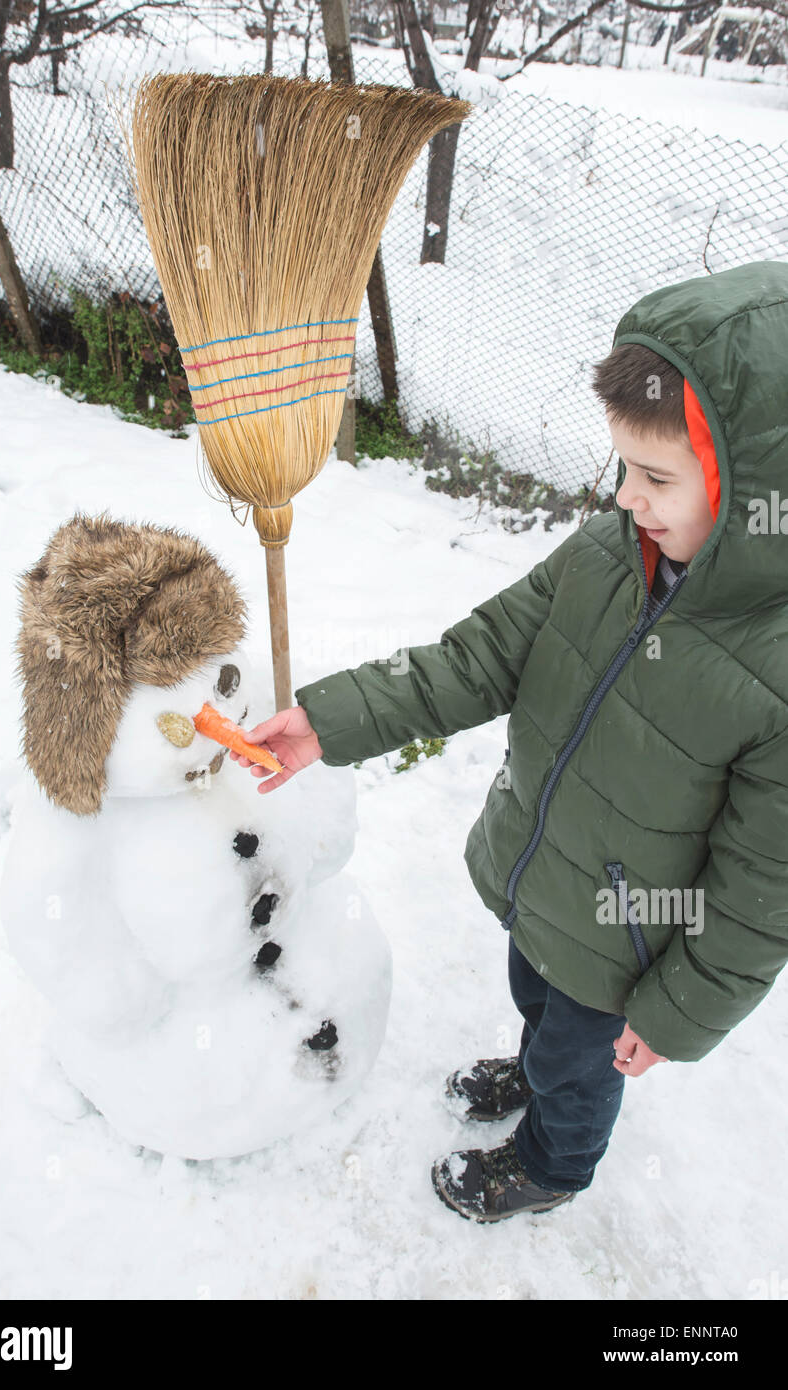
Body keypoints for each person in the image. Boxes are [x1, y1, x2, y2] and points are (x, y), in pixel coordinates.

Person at [229, 260, 788, 1222]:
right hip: (540, 882)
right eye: (621, 468)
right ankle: (538, 1066)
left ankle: (552, 1164)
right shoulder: (608, 553)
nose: (624, 498)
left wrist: (674, 1014)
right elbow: (481, 654)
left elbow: (759, 897)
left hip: (627, 949)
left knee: (581, 1061)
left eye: (655, 477)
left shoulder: (772, 674)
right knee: (536, 997)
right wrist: (334, 719)